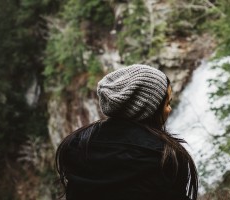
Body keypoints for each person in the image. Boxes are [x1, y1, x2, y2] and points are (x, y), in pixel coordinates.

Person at [55, 64, 198, 200]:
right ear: (148, 107)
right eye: (167, 103)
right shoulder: (165, 155)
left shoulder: (76, 144)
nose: (169, 109)